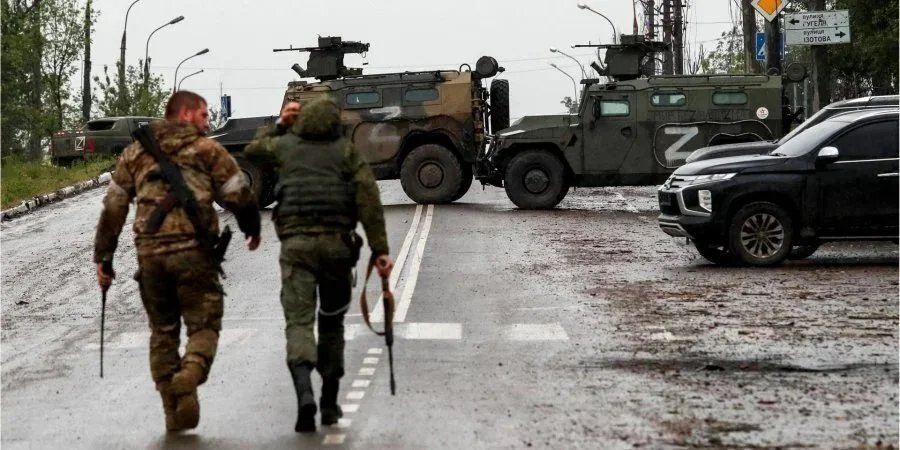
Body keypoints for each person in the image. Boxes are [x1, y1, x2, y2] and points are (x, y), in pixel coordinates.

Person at [94, 90, 262, 432]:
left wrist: (104, 258)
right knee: (204, 326)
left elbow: (114, 206)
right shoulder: (207, 150)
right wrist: (251, 227)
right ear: (185, 114)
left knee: (163, 331)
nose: (207, 123)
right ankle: (188, 377)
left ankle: (173, 410)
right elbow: (238, 194)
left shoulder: (134, 153)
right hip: (194, 252)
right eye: (203, 115)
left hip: (151, 257)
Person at [245, 98, 394, 433]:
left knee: (299, 322)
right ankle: (328, 404)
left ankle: (304, 395)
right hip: (338, 250)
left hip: (296, 249)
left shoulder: (285, 147)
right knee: (331, 323)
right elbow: (369, 200)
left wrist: (280, 125)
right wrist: (380, 251)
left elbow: (253, 151)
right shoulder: (347, 152)